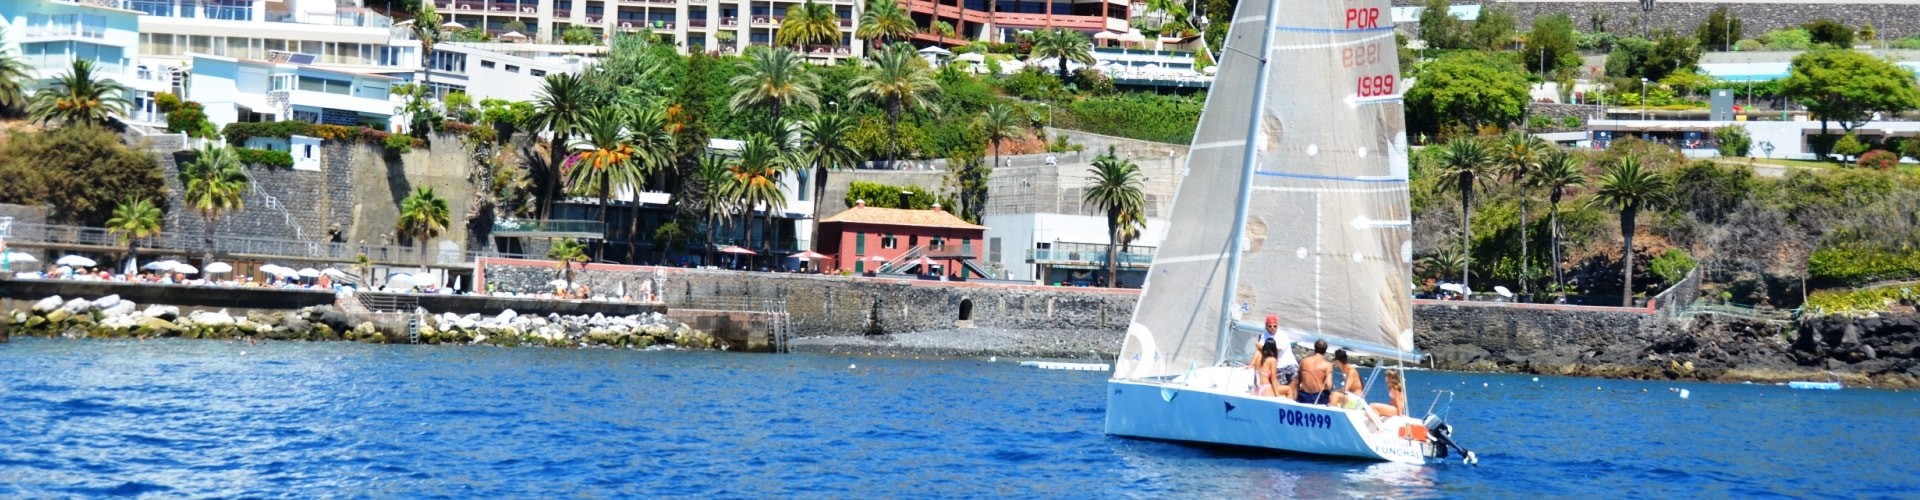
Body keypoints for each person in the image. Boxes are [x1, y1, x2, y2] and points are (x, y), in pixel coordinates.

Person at [1294, 339, 1333, 405]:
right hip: (1318, 398)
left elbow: (1297, 381)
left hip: (1304, 396)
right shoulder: (1327, 365)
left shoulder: (1304, 361)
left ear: (1315, 348)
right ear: (1325, 351)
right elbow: (1329, 385)